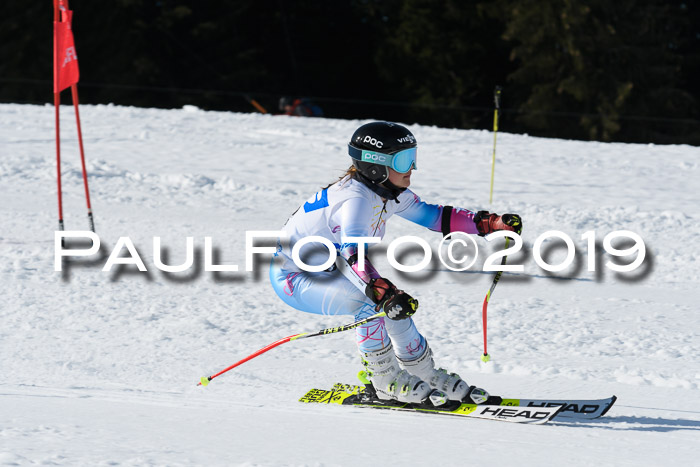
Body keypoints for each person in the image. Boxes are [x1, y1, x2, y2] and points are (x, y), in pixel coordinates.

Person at [269, 121, 522, 406]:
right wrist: (384, 293)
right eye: (403, 160)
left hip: (329, 269)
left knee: (390, 304)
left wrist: (488, 224)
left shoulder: (386, 192)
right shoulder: (354, 201)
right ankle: (384, 381)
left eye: (413, 157)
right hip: (294, 278)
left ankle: (425, 374)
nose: (411, 167)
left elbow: (434, 216)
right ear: (376, 165)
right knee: (372, 304)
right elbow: (354, 256)